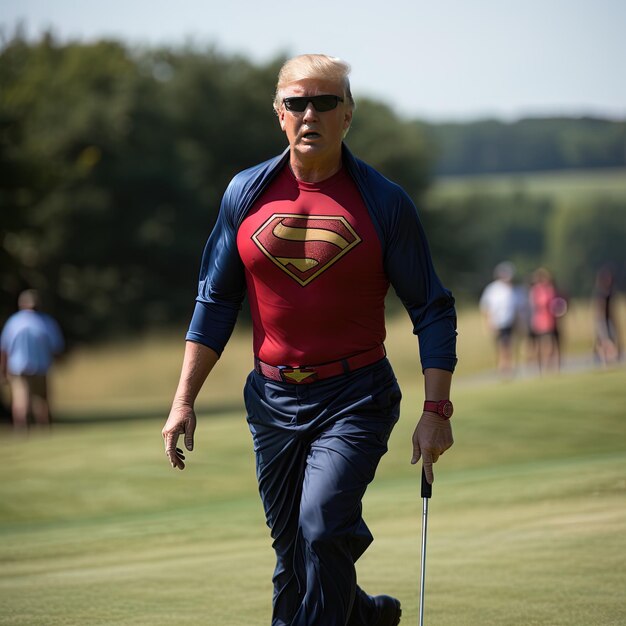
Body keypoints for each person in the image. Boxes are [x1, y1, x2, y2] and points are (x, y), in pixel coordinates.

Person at [162, 54, 457, 626]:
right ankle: (365, 616)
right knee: (294, 552)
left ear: (348, 115)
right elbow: (215, 301)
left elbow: (432, 308)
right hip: (272, 402)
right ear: (279, 114)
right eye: (296, 102)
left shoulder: (384, 202)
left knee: (321, 525)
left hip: (356, 397)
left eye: (325, 102)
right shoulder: (243, 194)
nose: (309, 114)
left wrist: (436, 409)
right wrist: (183, 400)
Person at [0, 289, 65, 429]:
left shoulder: (13, 322)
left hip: (18, 367)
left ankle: (21, 428)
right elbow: (56, 347)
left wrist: (3, 370)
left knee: (20, 398)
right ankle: (43, 428)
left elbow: (4, 349)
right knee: (41, 399)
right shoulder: (46, 322)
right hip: (41, 365)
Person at [479, 261, 524, 376]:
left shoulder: (515, 290)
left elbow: (518, 308)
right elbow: (485, 307)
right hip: (498, 322)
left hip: (511, 322)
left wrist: (520, 323)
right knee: (502, 346)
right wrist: (488, 323)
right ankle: (504, 368)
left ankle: (508, 367)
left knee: (510, 344)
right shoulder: (493, 289)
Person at [528, 268, 566, 372]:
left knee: (555, 345)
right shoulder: (536, 291)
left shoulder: (552, 289)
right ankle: (544, 367)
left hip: (552, 321)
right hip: (541, 322)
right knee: (544, 345)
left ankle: (556, 367)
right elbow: (536, 305)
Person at [592, 265, 621, 366]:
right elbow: (599, 308)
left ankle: (609, 359)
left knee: (610, 338)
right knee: (605, 339)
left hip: (609, 318)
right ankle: (607, 359)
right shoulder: (600, 293)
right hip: (602, 320)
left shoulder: (610, 292)